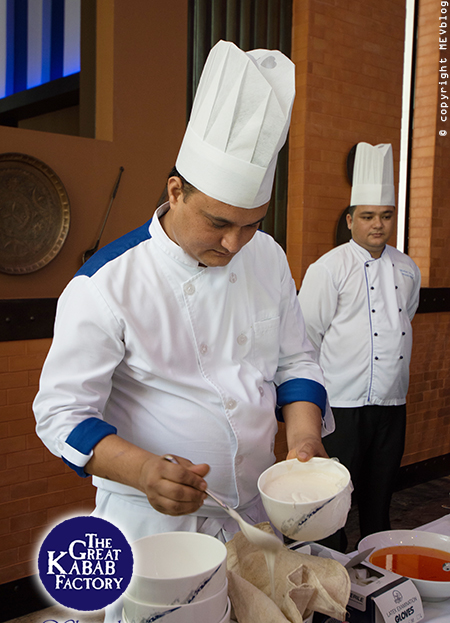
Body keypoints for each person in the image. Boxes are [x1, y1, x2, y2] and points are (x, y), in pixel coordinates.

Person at [33, 40, 333, 549]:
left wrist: (305, 438)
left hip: (259, 512)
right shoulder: (107, 284)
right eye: (218, 223)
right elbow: (61, 415)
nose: (235, 243)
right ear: (176, 192)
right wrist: (144, 470)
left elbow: (295, 362)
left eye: (251, 225)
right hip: (151, 522)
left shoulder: (268, 256)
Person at [298, 142, 421, 552]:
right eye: (368, 216)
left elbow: (405, 320)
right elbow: (306, 339)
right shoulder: (329, 268)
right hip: (342, 407)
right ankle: (330, 571)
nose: (378, 225)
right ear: (350, 219)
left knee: (379, 497)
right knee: (333, 502)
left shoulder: (407, 269)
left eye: (386, 216)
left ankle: (376, 570)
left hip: (391, 403)